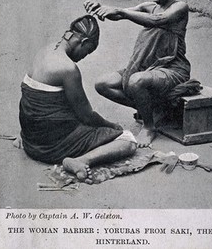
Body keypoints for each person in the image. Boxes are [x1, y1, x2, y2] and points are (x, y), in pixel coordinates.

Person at [19, 15, 137, 184]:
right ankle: (82, 160)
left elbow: (33, 98)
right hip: (51, 147)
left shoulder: (45, 49)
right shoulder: (68, 68)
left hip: (31, 142)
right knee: (127, 141)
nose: (83, 57)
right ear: (83, 41)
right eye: (87, 51)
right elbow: (86, 115)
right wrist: (111, 126)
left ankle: (36, 139)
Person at [84, 0, 191, 148]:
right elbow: (119, 14)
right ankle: (152, 109)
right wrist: (100, 7)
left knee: (135, 81)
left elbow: (159, 20)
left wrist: (121, 12)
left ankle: (149, 126)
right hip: (148, 67)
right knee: (102, 84)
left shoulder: (180, 7)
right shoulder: (149, 6)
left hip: (173, 69)